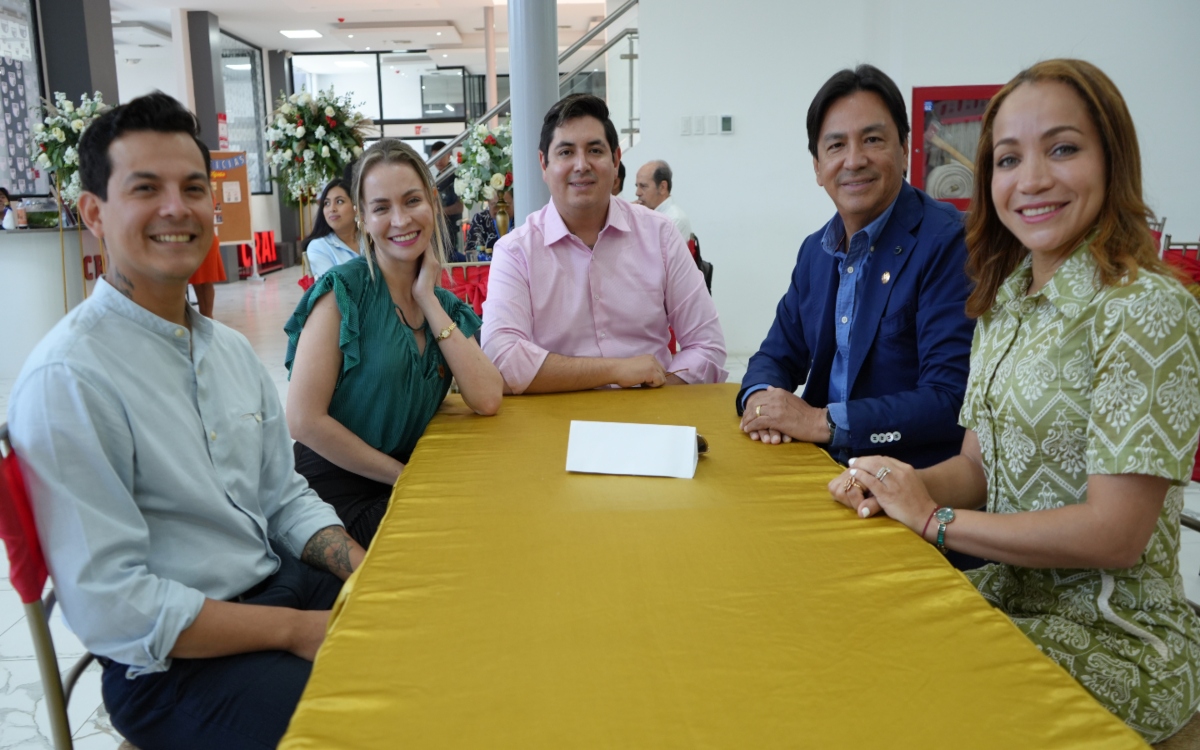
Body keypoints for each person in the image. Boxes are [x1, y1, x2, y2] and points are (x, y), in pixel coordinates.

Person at [829, 59, 1200, 744]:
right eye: (1007, 159)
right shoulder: (1006, 303)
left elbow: (1114, 534)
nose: (1031, 179)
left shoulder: (1146, 310)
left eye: (1063, 148)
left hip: (1113, 641)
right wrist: (891, 484)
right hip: (1009, 601)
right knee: (843, 642)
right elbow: (979, 466)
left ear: (1112, 158)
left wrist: (935, 520)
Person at [6, 92, 367, 750]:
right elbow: (114, 607)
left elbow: (281, 494)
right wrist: (292, 632)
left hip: (277, 587)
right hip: (175, 666)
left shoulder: (227, 349)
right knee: (371, 725)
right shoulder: (70, 379)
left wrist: (360, 567)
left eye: (193, 188)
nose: (177, 208)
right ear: (93, 212)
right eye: (146, 188)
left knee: (438, 645)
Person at [738, 64, 975, 471]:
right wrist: (760, 397)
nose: (854, 160)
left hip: (906, 480)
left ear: (904, 149)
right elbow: (775, 355)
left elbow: (948, 398)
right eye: (835, 146)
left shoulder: (948, 242)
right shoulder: (817, 250)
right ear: (817, 166)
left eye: (872, 140)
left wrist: (820, 421)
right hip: (821, 468)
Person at [285, 138, 503, 548]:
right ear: (363, 218)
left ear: (433, 204)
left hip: (400, 483)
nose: (401, 220)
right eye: (382, 208)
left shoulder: (445, 307)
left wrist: (427, 299)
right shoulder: (344, 292)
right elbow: (303, 420)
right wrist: (403, 476)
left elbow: (488, 397)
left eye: (412, 201)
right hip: (333, 493)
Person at [481, 94, 726, 394]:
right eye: (566, 152)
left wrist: (653, 392)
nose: (581, 165)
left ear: (615, 160)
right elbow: (501, 357)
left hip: (651, 414)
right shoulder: (516, 251)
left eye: (595, 150)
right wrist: (617, 370)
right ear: (544, 164)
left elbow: (708, 345)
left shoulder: (660, 234)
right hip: (555, 424)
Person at [303, 177, 360, 279]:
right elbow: (334, 288)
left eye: (339, 201)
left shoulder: (370, 238)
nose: (332, 209)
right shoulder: (318, 247)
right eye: (327, 203)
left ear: (356, 207)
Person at [635, 160, 692, 240]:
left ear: (662, 187)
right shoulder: (646, 214)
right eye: (637, 186)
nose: (637, 193)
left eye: (643, 186)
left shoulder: (675, 219)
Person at [432, 140, 464, 260]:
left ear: (449, 155)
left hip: (453, 230)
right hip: (440, 231)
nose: (438, 161)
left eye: (441, 156)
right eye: (435, 157)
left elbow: (459, 207)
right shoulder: (438, 178)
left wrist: (438, 211)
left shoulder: (455, 176)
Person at [464, 189, 513, 261]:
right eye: (495, 205)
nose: (500, 209)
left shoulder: (520, 218)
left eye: (506, 205)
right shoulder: (480, 219)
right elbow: (473, 250)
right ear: (489, 203)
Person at [189, 234, 226, 317]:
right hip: (191, 243)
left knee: (206, 280)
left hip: (205, 241)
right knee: (196, 280)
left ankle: (209, 317)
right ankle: (203, 316)